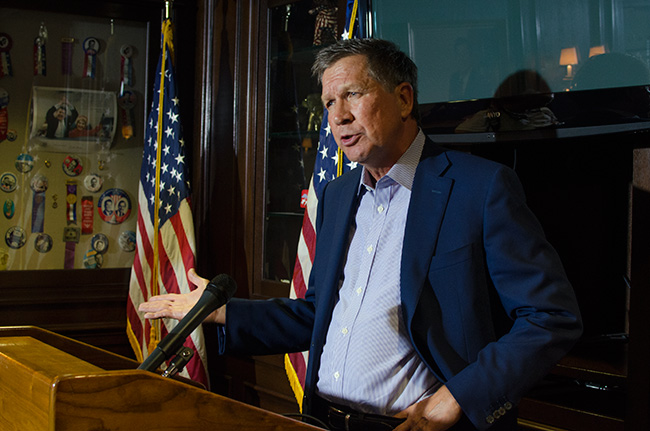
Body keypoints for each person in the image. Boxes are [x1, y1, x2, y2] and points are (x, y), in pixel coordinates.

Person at [139, 38, 582, 431]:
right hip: (322, 417)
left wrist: (459, 396)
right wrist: (217, 312)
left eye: (352, 94)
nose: (339, 116)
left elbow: (550, 317)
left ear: (403, 99)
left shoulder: (479, 189)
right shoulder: (337, 195)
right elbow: (316, 315)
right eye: (329, 102)